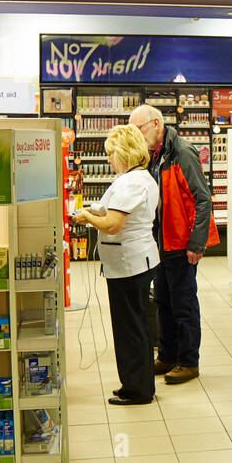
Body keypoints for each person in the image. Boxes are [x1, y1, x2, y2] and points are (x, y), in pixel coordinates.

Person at [128, 104, 218, 384]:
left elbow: (203, 199)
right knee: (163, 302)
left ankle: (189, 361)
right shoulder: (154, 156)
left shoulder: (182, 152)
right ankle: (167, 355)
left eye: (139, 129)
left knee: (184, 304)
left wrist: (196, 243)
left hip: (181, 244)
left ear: (156, 124)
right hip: (160, 244)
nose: (137, 136)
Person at [72, 125, 161, 404]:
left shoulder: (131, 182)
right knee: (138, 326)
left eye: (111, 154)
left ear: (124, 152)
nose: (109, 159)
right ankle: (138, 383)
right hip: (136, 262)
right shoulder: (136, 178)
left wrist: (88, 218)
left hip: (129, 265)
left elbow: (112, 224)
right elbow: (112, 210)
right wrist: (93, 211)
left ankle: (137, 389)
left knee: (129, 329)